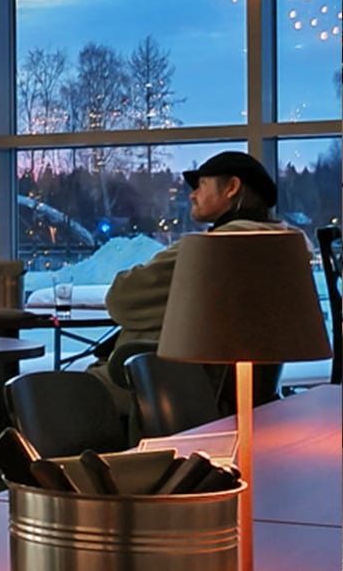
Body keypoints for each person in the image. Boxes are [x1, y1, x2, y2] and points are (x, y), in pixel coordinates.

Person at [103, 151, 292, 405]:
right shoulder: (279, 248)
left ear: (232, 187)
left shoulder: (211, 250)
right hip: (231, 394)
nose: (192, 194)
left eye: (201, 184)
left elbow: (122, 300)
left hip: (163, 383)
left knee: (48, 399)